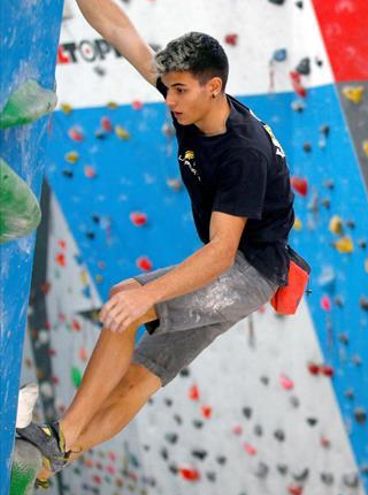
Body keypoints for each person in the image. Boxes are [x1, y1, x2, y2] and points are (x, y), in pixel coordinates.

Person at [16, 0, 302, 485]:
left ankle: (60, 436)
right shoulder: (192, 103)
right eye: (167, 88)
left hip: (247, 273)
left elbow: (221, 253)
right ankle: (50, 462)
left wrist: (149, 295)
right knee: (141, 377)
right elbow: (120, 29)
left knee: (126, 301)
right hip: (236, 269)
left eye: (180, 90)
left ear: (214, 88)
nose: (169, 100)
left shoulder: (243, 154)